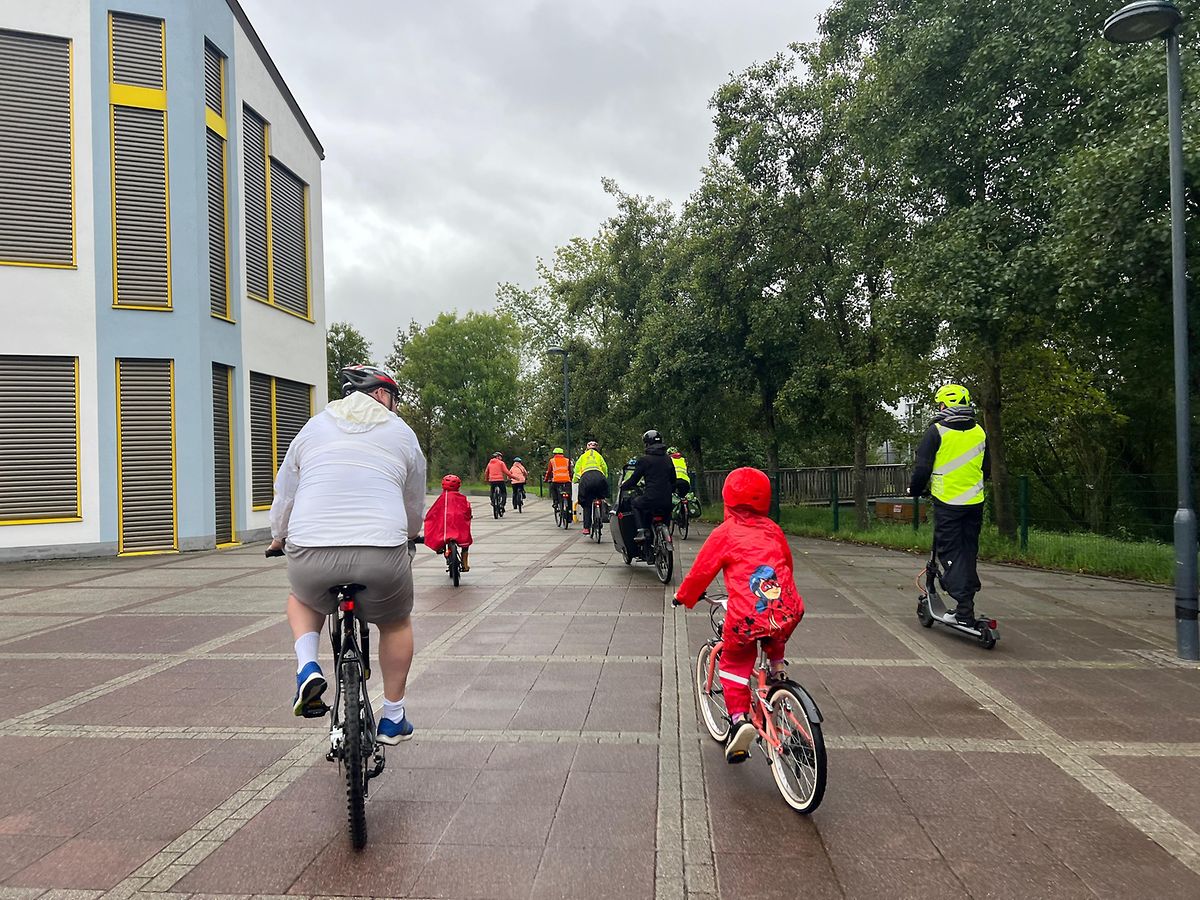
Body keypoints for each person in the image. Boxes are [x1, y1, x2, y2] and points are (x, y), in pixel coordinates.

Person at [269, 364, 426, 745]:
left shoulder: (313, 428)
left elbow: (286, 491)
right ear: (382, 395)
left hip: (311, 548)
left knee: (303, 599)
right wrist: (410, 533)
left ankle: (308, 667)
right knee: (395, 623)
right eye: (394, 398)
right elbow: (413, 497)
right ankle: (393, 717)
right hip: (381, 552)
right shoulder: (401, 433)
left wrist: (278, 537)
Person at [673, 467, 804, 763]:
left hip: (747, 615)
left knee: (734, 662)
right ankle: (777, 671)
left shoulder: (725, 533)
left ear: (727, 499)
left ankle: (738, 720)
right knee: (774, 632)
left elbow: (702, 571)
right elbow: (786, 564)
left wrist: (684, 596)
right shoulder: (773, 529)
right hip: (787, 607)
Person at [909, 383, 990, 626]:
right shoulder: (979, 431)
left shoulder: (936, 431)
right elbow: (986, 469)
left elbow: (922, 468)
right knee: (968, 551)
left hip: (948, 503)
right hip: (974, 502)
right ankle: (966, 602)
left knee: (950, 552)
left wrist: (915, 489)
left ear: (944, 405)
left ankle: (964, 610)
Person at [620, 430, 676, 542]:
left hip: (651, 499)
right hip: (667, 501)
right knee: (666, 513)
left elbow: (634, 480)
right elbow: (673, 479)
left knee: (635, 503)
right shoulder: (668, 459)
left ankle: (641, 531)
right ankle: (665, 536)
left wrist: (624, 486)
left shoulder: (645, 460)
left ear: (647, 444)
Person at [424, 474, 473, 572]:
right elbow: (467, 509)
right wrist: (469, 516)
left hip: (445, 525)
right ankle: (465, 563)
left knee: (440, 532)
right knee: (465, 541)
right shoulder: (461, 498)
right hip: (458, 524)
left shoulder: (442, 498)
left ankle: (440, 548)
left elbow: (433, 512)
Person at [573, 440, 609, 535]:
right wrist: (604, 478)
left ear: (586, 449)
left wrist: (575, 480)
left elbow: (576, 470)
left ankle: (586, 528)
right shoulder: (599, 456)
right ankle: (601, 515)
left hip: (586, 479)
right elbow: (605, 468)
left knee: (586, 503)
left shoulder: (582, 457)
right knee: (601, 497)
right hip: (599, 477)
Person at [543, 447, 573, 515]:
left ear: (554, 454)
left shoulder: (552, 461)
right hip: (566, 480)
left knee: (553, 489)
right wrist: (571, 478)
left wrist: (546, 479)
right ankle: (570, 510)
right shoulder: (567, 460)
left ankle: (556, 502)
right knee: (568, 494)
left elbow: (549, 471)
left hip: (556, 480)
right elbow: (570, 471)